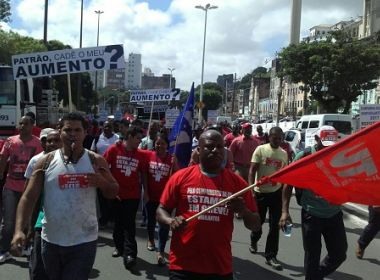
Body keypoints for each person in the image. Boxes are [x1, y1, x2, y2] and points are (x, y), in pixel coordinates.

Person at [11, 112, 119, 280]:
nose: (73, 134)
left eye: (77, 130)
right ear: (60, 131)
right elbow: (28, 197)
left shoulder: (95, 161)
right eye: (68, 130)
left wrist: (101, 182)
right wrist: (19, 230)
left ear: (85, 133)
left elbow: (113, 191)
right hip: (51, 240)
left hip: (84, 241)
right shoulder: (44, 162)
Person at [156, 129, 261, 280]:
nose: (216, 151)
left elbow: (256, 225)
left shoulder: (238, 183)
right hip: (183, 266)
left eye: (220, 147)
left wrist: (243, 211)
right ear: (198, 150)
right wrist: (170, 221)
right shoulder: (180, 177)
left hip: (219, 267)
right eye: (210, 147)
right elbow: (161, 210)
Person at [279, 125, 347, 280]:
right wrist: (285, 211)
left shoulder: (339, 156)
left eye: (331, 143)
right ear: (316, 139)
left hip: (334, 214)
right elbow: (288, 184)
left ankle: (315, 276)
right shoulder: (304, 156)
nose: (327, 147)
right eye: (324, 143)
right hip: (312, 214)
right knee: (312, 256)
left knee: (339, 254)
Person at [103, 125, 149, 270]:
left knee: (129, 224)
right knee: (118, 223)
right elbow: (104, 167)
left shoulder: (140, 154)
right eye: (137, 138)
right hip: (116, 194)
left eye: (141, 139)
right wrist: (109, 185)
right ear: (129, 137)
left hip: (133, 195)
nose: (139, 142)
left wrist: (146, 192)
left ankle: (130, 254)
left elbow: (144, 174)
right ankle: (119, 247)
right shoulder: (113, 149)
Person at [0, 115, 43, 263]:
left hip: (29, 188)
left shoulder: (37, 143)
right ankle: (4, 250)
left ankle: (24, 247)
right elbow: (3, 160)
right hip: (11, 187)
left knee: (28, 220)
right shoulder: (11, 141)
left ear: (32, 126)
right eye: (20, 123)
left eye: (25, 124)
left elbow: (39, 165)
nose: (22, 126)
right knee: (8, 222)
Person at [248, 126, 288, 270]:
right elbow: (252, 170)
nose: (277, 140)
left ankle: (271, 256)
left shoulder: (284, 154)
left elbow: (284, 174)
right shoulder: (260, 150)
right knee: (257, 225)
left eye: (279, 138)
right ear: (269, 137)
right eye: (274, 137)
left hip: (275, 194)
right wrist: (251, 190)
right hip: (260, 193)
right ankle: (254, 239)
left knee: (274, 227)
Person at [24, 128, 61, 280]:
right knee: (38, 267)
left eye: (56, 140)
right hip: (41, 220)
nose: (52, 144)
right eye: (48, 140)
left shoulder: (75, 162)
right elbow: (28, 195)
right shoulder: (38, 161)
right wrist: (27, 226)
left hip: (65, 225)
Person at [144, 133, 179, 266]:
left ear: (167, 145)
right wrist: (145, 191)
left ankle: (160, 251)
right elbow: (145, 175)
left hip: (165, 199)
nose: (159, 146)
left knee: (164, 225)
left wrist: (175, 164)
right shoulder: (149, 155)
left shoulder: (172, 158)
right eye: (157, 143)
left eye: (162, 143)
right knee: (151, 220)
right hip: (151, 196)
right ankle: (151, 239)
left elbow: (178, 175)